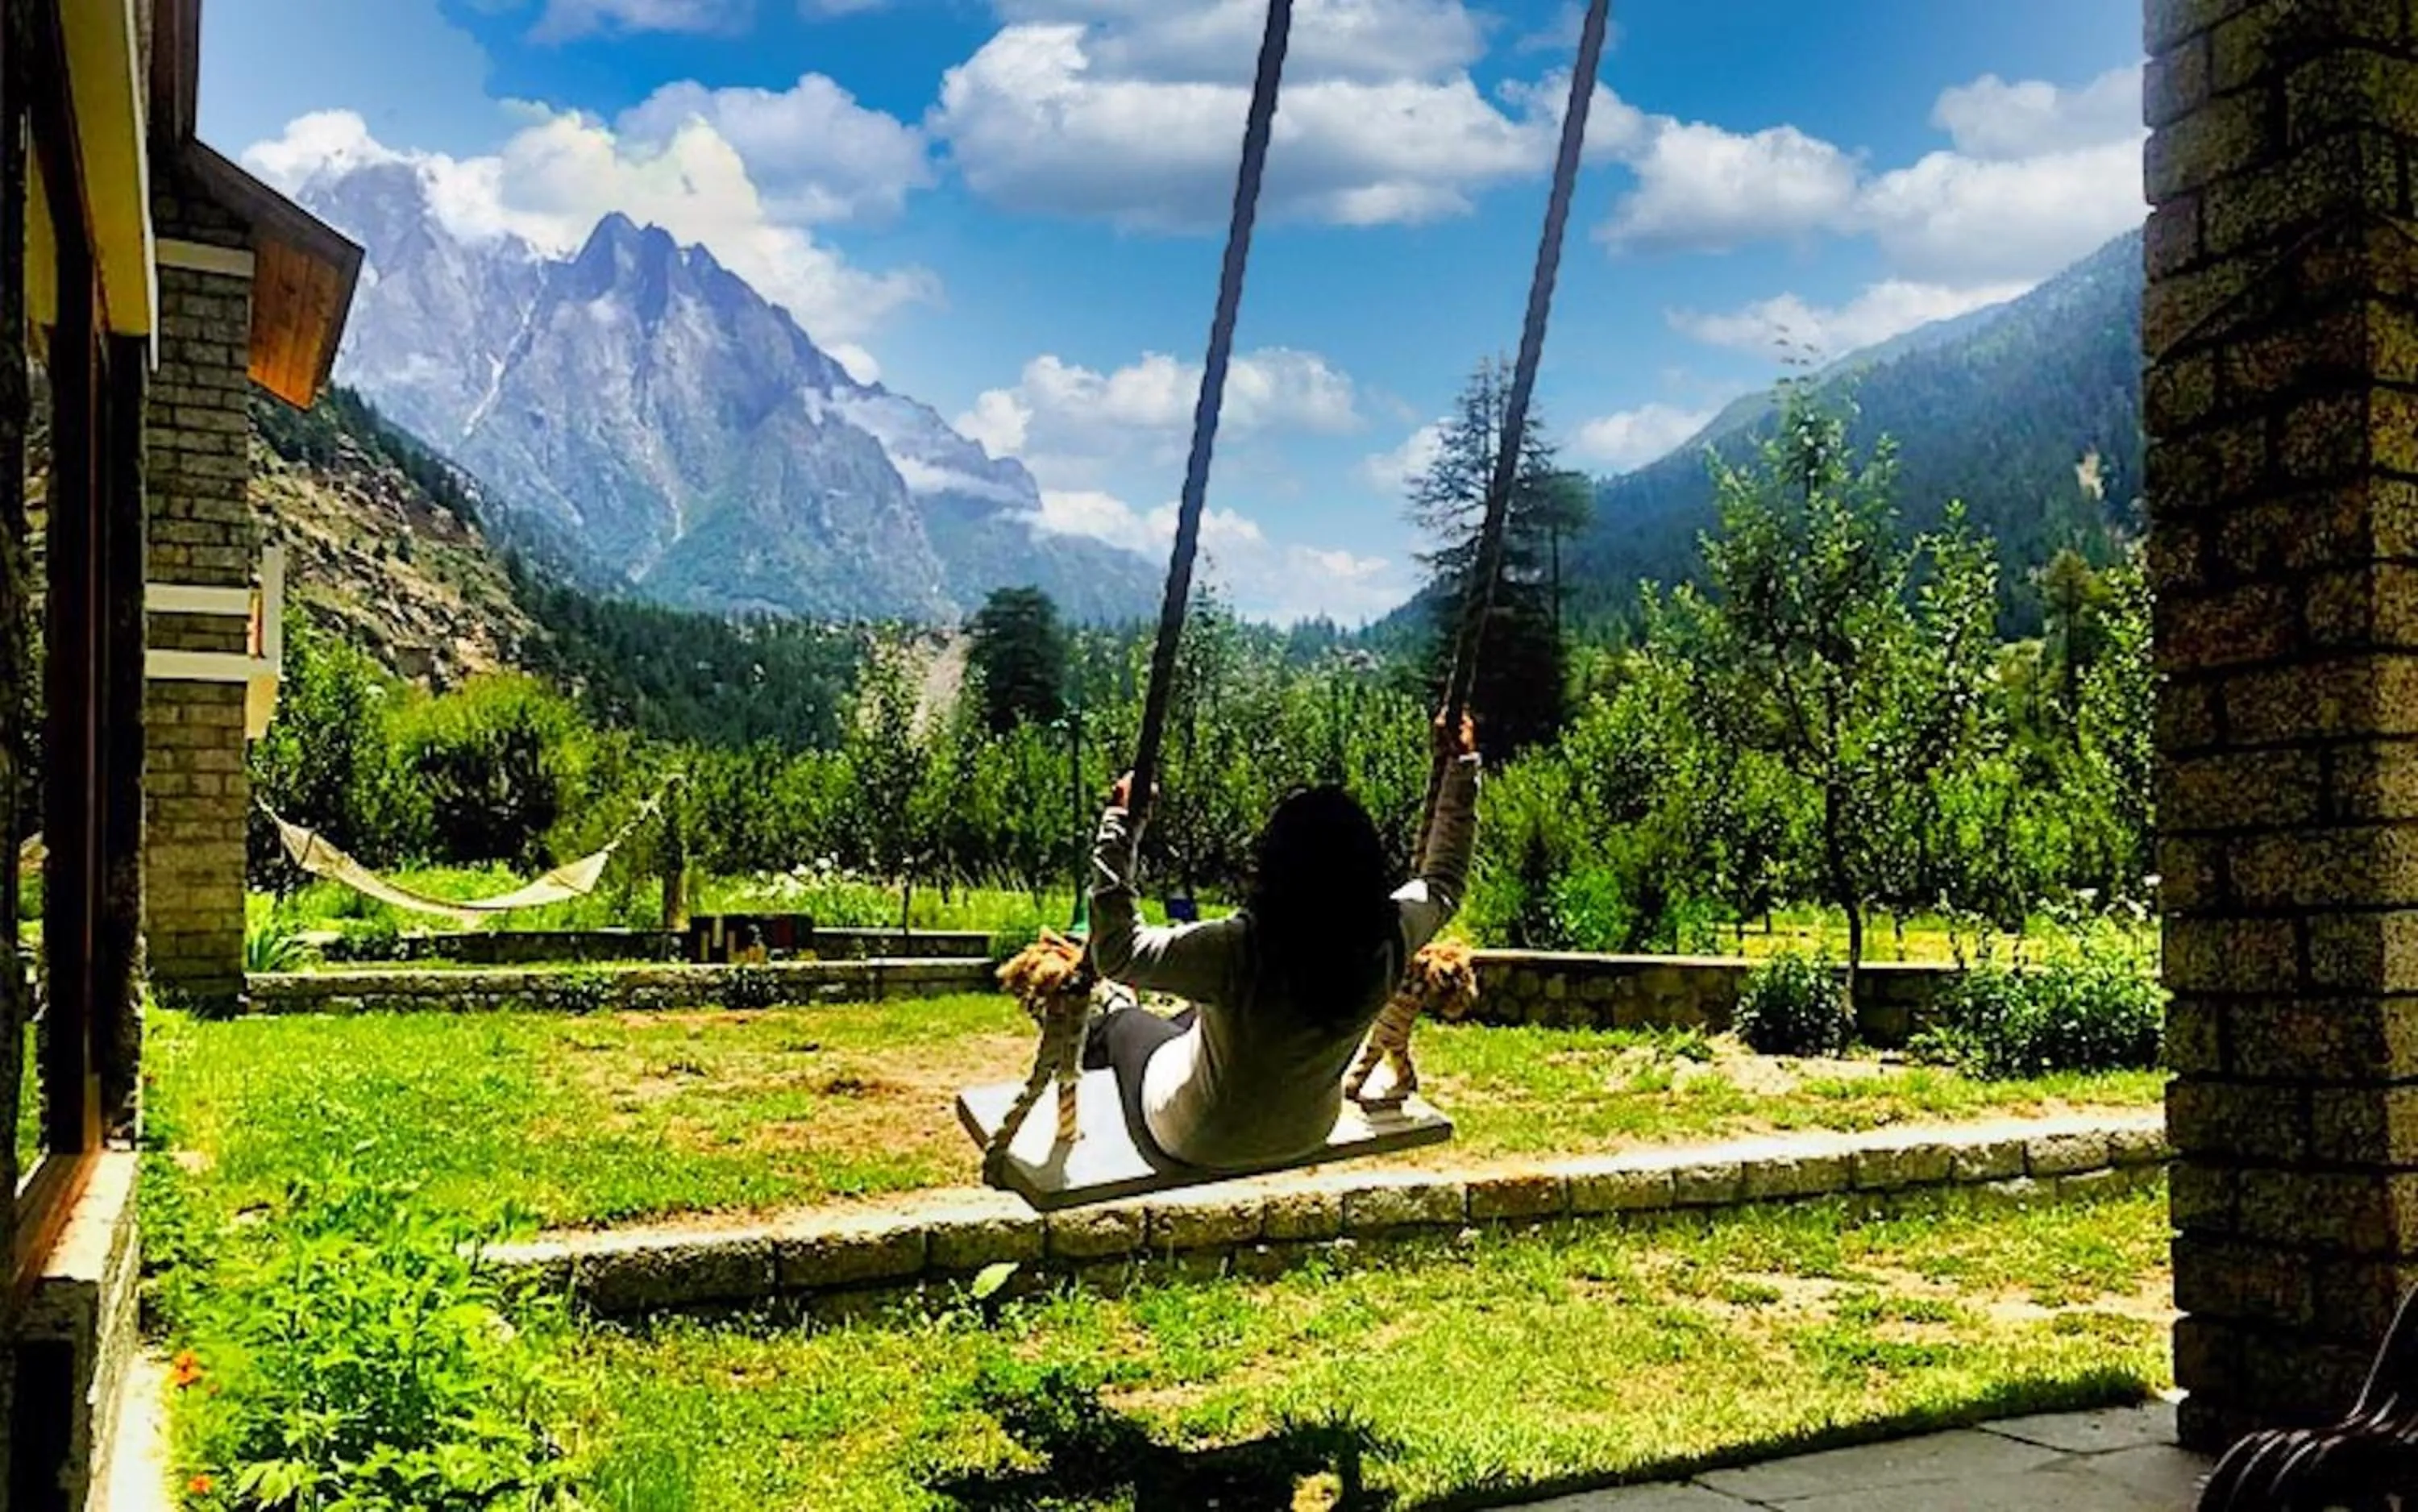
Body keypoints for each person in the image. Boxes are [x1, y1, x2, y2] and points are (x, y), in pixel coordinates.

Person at [1080, 711, 1481, 1171]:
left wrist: (1119, 827)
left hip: (1198, 1139)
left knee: (1124, 1024)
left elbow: (1116, 953)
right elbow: (1444, 880)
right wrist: (1462, 766)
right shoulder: (1389, 936)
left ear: (1273, 864)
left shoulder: (1236, 950)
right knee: (1193, 1019)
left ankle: (1084, 1072)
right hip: (1306, 1132)